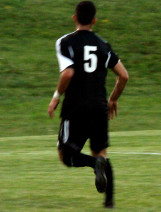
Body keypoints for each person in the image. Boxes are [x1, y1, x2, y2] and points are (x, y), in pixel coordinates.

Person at [47, 1, 129, 208]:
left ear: (74, 18)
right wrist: (113, 99)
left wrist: (56, 96)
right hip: (99, 106)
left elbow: (67, 73)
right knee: (101, 152)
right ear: (94, 20)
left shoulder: (65, 42)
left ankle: (94, 165)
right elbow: (124, 76)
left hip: (75, 106)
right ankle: (109, 202)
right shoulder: (103, 44)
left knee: (65, 155)